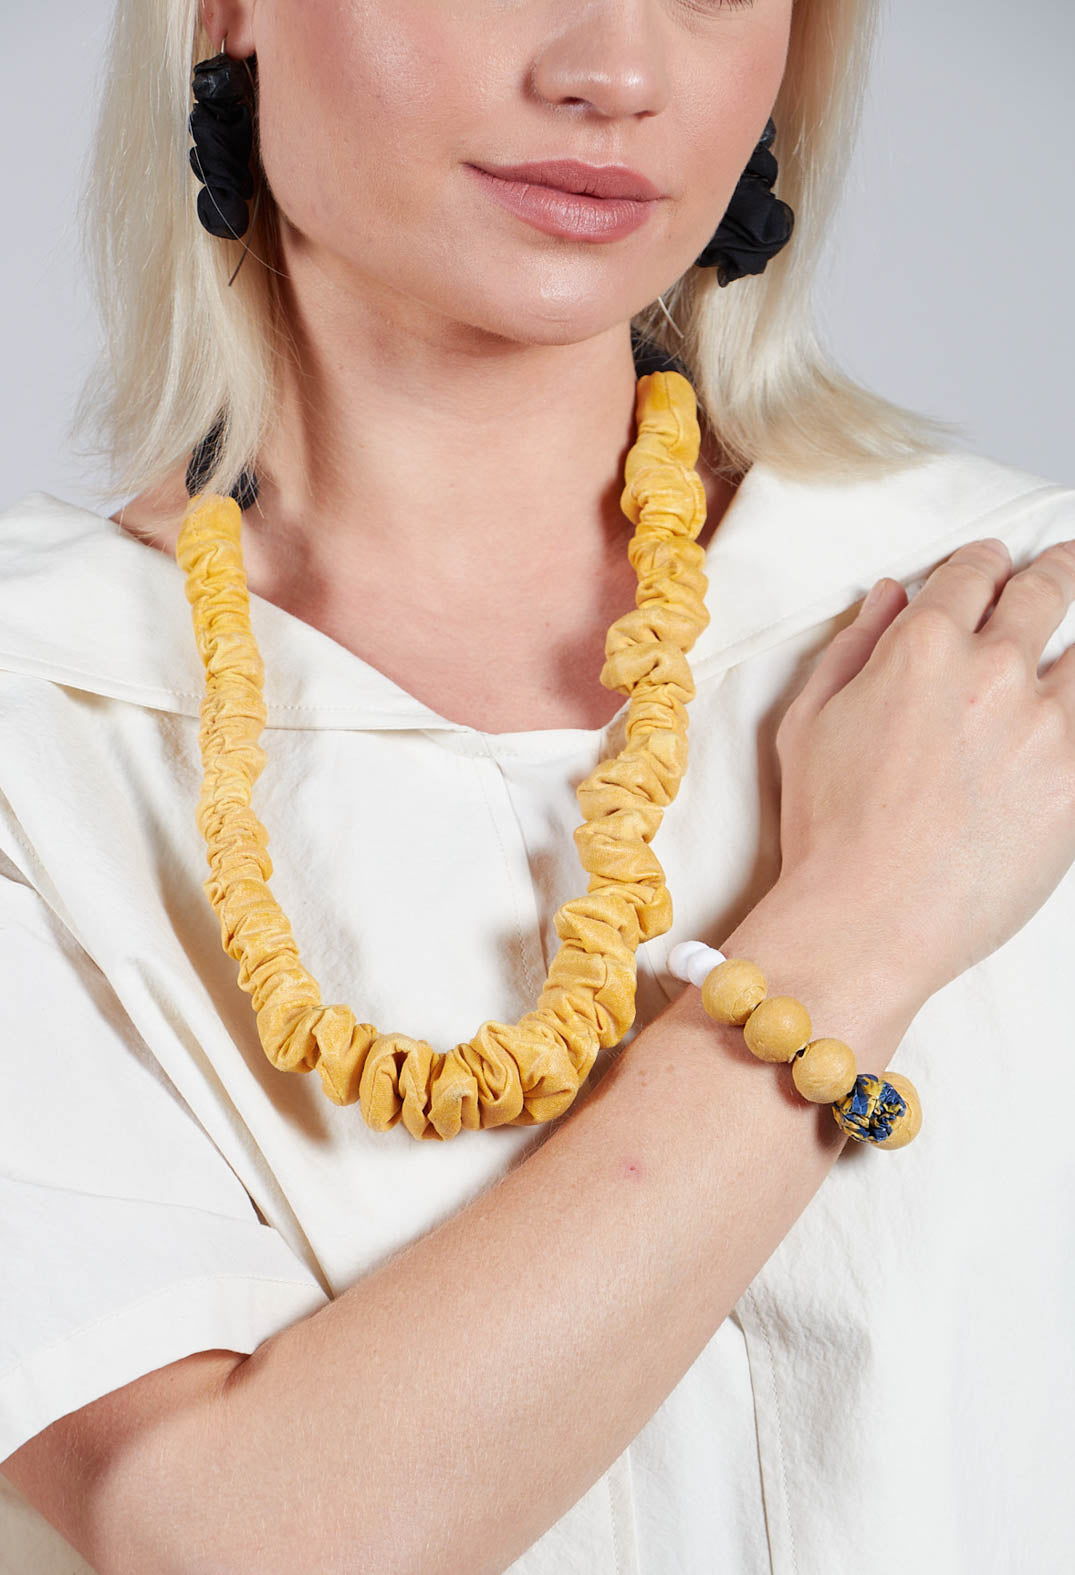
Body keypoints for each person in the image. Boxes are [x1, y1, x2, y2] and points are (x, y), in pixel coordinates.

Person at [1, 1, 1073, 1571]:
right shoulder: (38, 726)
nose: (616, 74)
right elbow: (235, 1540)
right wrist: (863, 927)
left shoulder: (1013, 633)